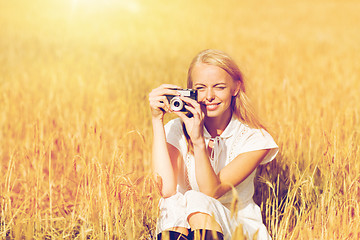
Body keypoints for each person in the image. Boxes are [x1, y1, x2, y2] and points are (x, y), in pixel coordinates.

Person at [148, 49, 278, 240]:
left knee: (196, 199)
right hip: (185, 227)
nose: (209, 96)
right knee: (172, 204)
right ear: (190, 91)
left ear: (235, 88)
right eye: (200, 88)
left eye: (219, 87)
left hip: (238, 228)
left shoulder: (255, 138)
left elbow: (211, 191)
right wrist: (156, 120)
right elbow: (166, 189)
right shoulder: (176, 128)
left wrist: (198, 140)